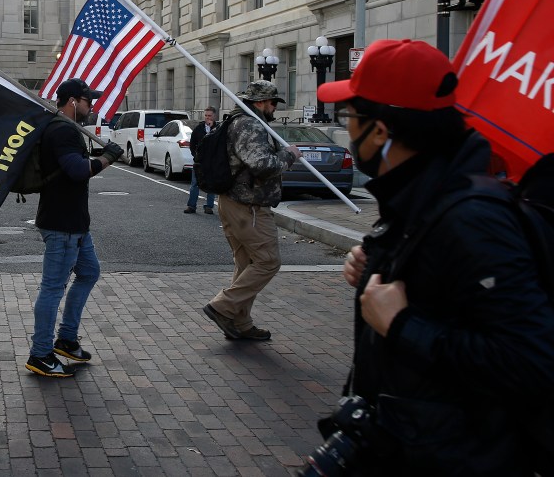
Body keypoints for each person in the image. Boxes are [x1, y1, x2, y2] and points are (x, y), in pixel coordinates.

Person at [313, 38, 554, 474]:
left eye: (351, 116)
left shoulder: (473, 218)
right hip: (409, 441)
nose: (348, 129)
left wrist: (403, 325)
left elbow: (532, 361)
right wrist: (377, 261)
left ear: (381, 131)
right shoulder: (422, 196)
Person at [25, 78, 124, 378]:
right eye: (87, 100)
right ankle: (40, 354)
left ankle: (66, 339)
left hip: (75, 223)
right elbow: (79, 171)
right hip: (62, 224)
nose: (91, 105)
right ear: (72, 101)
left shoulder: (64, 128)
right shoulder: (62, 130)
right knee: (53, 288)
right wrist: (108, 157)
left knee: (89, 272)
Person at [202, 80, 300, 341]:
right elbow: (262, 165)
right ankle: (222, 306)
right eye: (271, 103)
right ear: (259, 103)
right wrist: (289, 156)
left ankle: (240, 322)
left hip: (237, 204)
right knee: (268, 262)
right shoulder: (250, 124)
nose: (273, 108)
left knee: (247, 264)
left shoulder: (241, 122)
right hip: (248, 207)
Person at [185, 106, 218, 214]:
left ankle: (209, 206)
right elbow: (192, 143)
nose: (207, 118)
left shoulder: (218, 129)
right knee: (195, 184)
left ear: (214, 116)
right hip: (199, 161)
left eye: (210, 116)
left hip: (212, 162)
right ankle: (191, 206)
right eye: (206, 115)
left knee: (211, 184)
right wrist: (195, 156)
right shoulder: (199, 128)